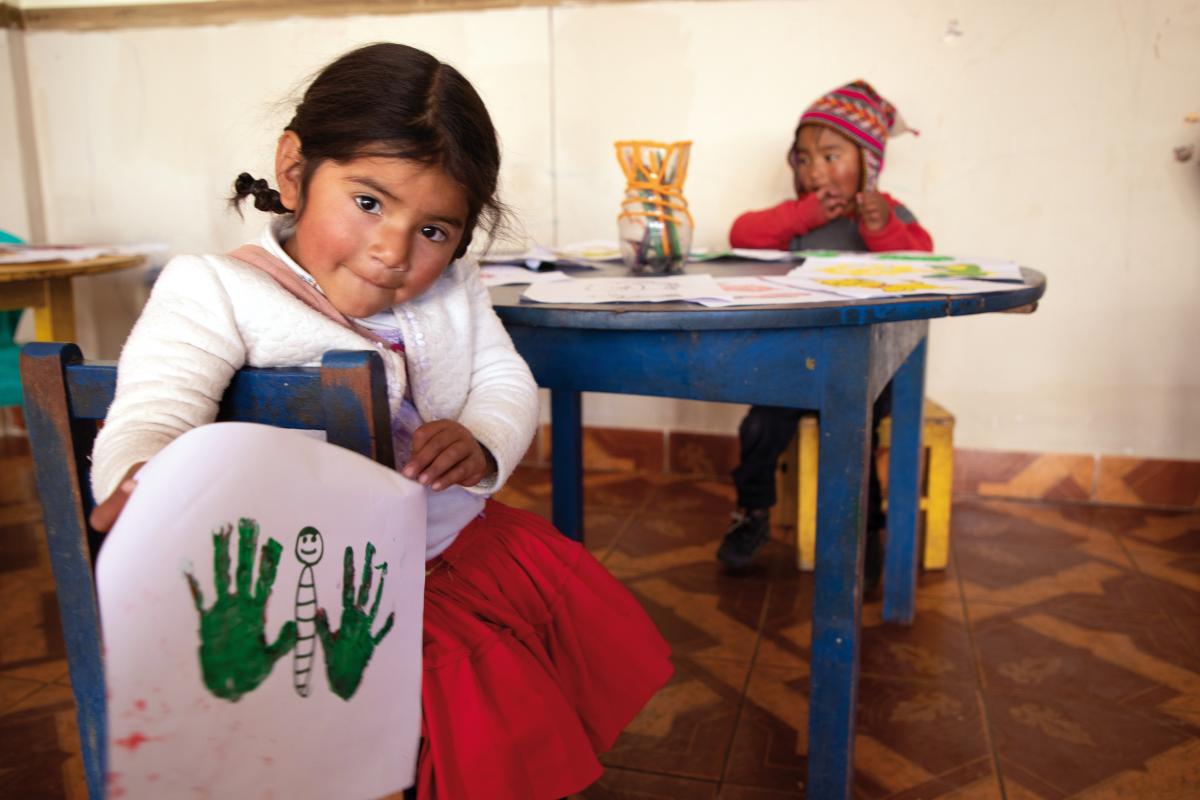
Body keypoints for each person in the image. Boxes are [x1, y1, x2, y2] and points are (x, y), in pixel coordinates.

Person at [88, 42, 672, 800]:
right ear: (295, 171)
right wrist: (147, 483)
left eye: (434, 230)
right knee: (449, 726)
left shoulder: (453, 292)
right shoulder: (215, 291)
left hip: (455, 558)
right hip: (322, 598)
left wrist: (484, 438)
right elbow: (155, 405)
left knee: (498, 735)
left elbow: (504, 379)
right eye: (369, 202)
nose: (393, 251)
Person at [718, 80, 934, 574]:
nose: (815, 170)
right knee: (759, 426)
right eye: (804, 158)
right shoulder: (798, 218)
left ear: (868, 162)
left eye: (831, 156)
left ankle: (865, 529)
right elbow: (740, 233)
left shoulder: (890, 213)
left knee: (860, 434)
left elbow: (923, 263)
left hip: (870, 366)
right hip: (797, 362)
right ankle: (751, 512)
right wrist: (802, 213)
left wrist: (880, 228)